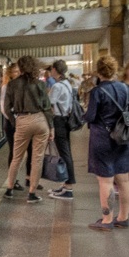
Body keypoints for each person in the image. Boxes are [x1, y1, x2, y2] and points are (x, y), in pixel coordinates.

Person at [84, 56, 129, 231]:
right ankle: (123, 218)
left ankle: (106, 220)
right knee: (124, 180)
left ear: (98, 71)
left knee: (106, 181)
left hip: (102, 138)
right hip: (123, 138)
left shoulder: (97, 92)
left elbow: (90, 116)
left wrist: (82, 116)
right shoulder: (126, 88)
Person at [3, 55, 54, 203]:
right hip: (40, 120)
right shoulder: (39, 84)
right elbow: (47, 107)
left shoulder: (12, 84)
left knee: (16, 157)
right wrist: (51, 127)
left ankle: (9, 189)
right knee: (37, 159)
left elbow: (7, 108)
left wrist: (15, 121)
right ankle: (32, 193)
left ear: (20, 67)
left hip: (22, 120)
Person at [0, 63, 32, 191]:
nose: (18, 73)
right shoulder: (6, 87)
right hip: (12, 123)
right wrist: (14, 120)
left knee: (30, 150)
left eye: (19, 71)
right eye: (15, 71)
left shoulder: (23, 86)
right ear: (9, 74)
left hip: (24, 121)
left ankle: (29, 178)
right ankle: (13, 182)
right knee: (14, 152)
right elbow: (4, 108)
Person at [47, 60, 76, 199]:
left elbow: (48, 103)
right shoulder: (67, 84)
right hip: (66, 120)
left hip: (58, 121)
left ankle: (68, 188)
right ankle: (65, 185)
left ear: (55, 70)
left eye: (52, 69)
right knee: (66, 152)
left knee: (64, 154)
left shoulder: (57, 86)